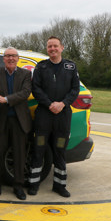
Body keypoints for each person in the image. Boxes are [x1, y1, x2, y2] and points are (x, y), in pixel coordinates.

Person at [28, 36, 80, 198]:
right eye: (49, 46)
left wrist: (62, 104)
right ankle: (33, 184)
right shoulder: (41, 66)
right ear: (47, 49)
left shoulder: (71, 66)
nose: (52, 49)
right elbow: (35, 88)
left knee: (60, 150)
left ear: (62, 47)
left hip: (62, 117)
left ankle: (59, 185)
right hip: (44, 115)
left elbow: (75, 89)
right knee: (39, 149)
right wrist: (50, 104)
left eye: (55, 46)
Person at [0, 47, 32, 200]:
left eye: (13, 56)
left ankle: (18, 186)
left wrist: (5, 99)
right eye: (8, 56)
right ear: (3, 59)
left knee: (19, 154)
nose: (11, 59)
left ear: (18, 58)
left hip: (19, 120)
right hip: (1, 120)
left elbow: (25, 93)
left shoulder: (26, 74)